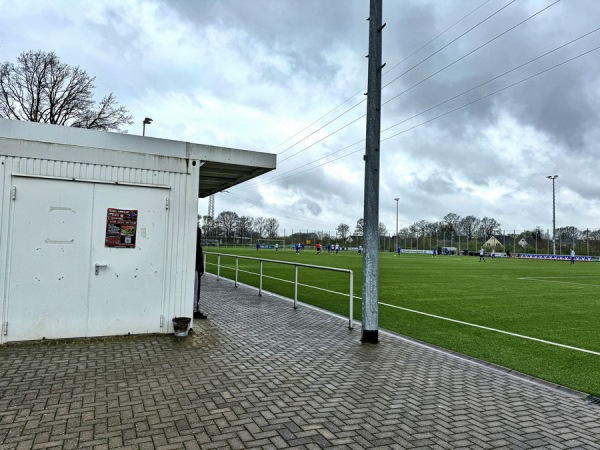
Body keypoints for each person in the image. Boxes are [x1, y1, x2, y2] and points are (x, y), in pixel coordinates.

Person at [194, 228, 207, 319]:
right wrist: (201, 268)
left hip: (195, 269)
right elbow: (199, 259)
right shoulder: (197, 246)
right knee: (195, 290)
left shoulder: (196, 246)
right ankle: (195, 310)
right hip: (195, 270)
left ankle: (195, 308)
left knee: (195, 290)